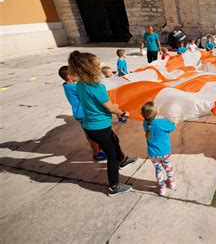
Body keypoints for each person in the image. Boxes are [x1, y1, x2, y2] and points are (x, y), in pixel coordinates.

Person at [68, 51, 137, 196]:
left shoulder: (80, 84)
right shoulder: (96, 87)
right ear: (89, 68)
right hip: (98, 126)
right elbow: (110, 107)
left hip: (94, 126)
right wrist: (124, 113)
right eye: (97, 66)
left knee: (114, 139)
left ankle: (123, 160)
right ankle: (114, 186)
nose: (100, 68)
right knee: (112, 156)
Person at [58, 66, 106, 161]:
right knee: (92, 134)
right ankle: (97, 153)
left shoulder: (66, 85)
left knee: (89, 133)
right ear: (68, 76)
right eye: (75, 73)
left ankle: (97, 147)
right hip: (83, 113)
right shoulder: (73, 87)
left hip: (80, 113)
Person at [141, 101, 177, 196]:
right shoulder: (162, 122)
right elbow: (173, 127)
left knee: (158, 169)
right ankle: (172, 182)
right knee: (167, 166)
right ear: (155, 112)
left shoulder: (145, 123)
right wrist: (173, 121)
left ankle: (161, 188)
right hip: (164, 151)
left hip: (153, 153)